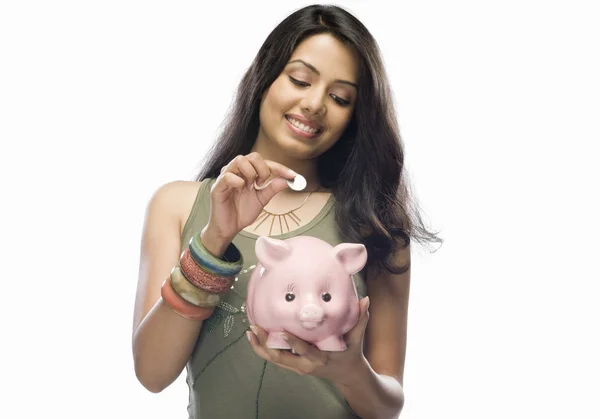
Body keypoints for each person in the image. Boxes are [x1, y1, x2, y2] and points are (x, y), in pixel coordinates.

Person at [132, 4, 441, 418]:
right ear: (265, 77)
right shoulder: (178, 205)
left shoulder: (374, 225)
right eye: (300, 79)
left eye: (339, 97)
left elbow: (387, 405)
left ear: (355, 116)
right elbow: (152, 374)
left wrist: (351, 371)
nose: (315, 104)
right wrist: (213, 240)